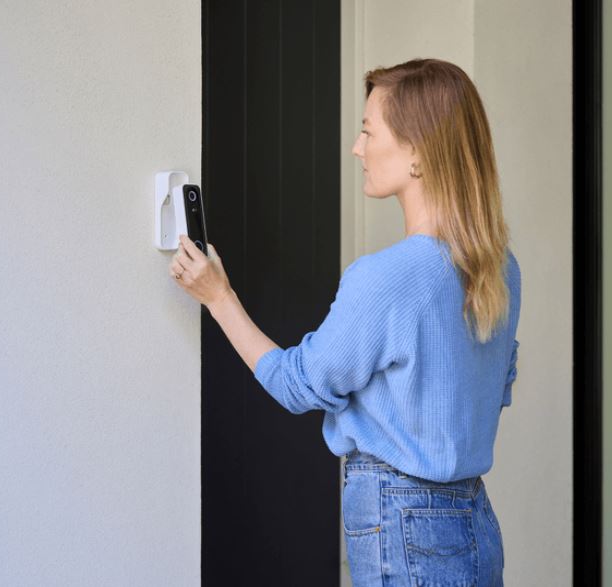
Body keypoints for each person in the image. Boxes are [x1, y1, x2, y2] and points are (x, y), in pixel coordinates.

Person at [169, 57, 521, 587]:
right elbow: (493, 389)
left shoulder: (386, 277)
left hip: (402, 522)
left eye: (368, 131)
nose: (357, 148)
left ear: (418, 152)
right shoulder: (501, 269)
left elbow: (297, 385)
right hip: (474, 520)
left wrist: (219, 297)